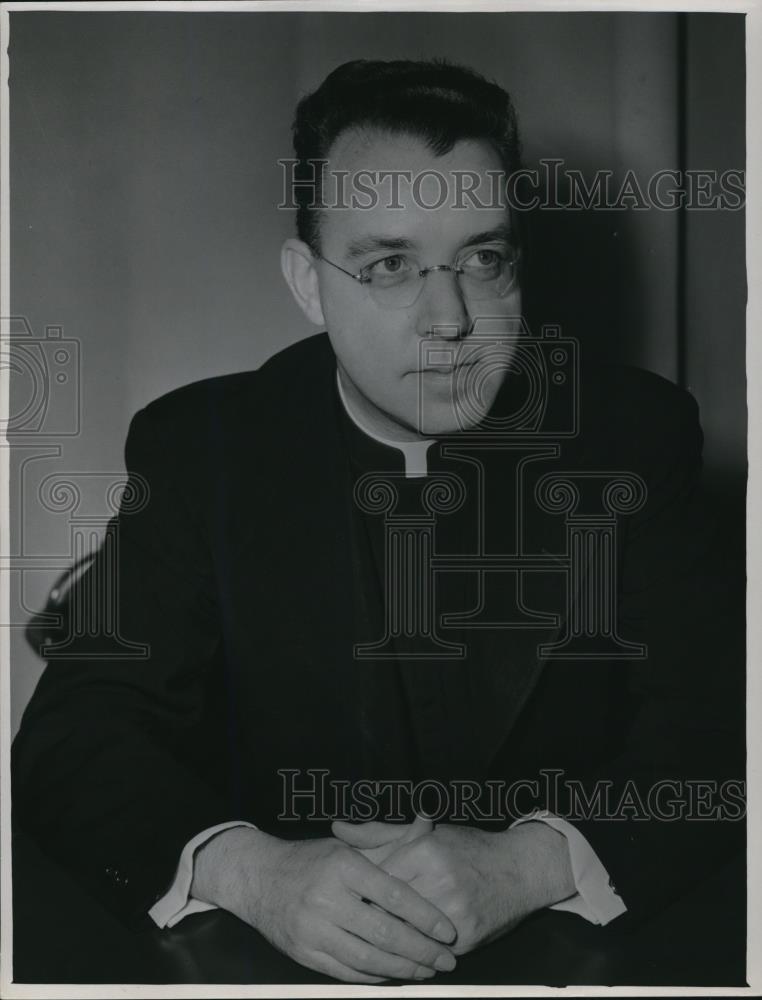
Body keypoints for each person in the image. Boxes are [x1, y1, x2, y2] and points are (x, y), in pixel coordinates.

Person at [12, 59, 744, 985]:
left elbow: (730, 725)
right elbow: (76, 736)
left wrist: (536, 861)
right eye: (390, 265)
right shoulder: (201, 449)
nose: (450, 320)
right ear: (309, 285)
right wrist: (252, 872)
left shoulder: (635, 435)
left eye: (484, 258)